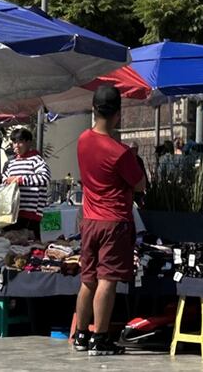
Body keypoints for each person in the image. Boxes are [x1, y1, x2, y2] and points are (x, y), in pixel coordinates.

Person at [72, 86, 146, 356]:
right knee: (107, 280)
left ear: (94, 109)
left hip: (89, 220)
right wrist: (134, 159)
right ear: (118, 114)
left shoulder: (82, 140)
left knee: (87, 280)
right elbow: (140, 185)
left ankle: (81, 334)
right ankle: (100, 338)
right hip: (114, 221)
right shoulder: (120, 152)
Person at [0, 127, 51, 239]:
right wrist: (7, 181)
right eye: (14, 142)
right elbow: (4, 179)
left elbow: (45, 178)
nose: (16, 145)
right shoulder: (11, 163)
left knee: (30, 244)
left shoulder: (36, 160)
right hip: (11, 213)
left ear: (28, 142)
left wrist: (20, 180)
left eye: (20, 142)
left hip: (30, 214)